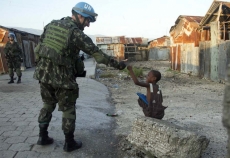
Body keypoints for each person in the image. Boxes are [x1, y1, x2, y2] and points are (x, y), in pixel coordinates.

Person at [33, 2, 126, 152]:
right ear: (79, 16)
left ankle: (42, 137)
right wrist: (118, 65)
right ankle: (69, 143)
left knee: (47, 104)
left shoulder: (51, 25)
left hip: (43, 75)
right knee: (68, 109)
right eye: (88, 20)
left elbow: (39, 48)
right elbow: (98, 55)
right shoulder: (76, 33)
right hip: (63, 78)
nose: (88, 24)